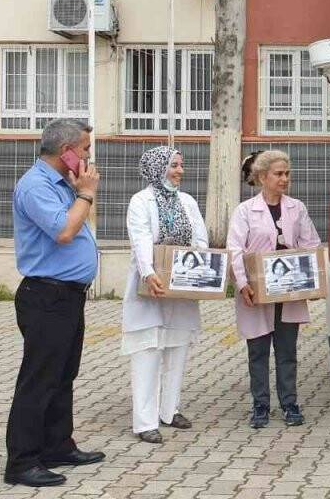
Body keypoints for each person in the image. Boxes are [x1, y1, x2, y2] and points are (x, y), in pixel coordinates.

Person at [4, 118, 105, 487]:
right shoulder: (35, 186)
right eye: (85, 149)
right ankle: (22, 462)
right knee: (39, 380)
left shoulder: (64, 183)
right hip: (45, 295)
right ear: (66, 152)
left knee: (63, 376)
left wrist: (80, 190)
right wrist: (87, 193)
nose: (89, 155)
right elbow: (64, 231)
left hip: (67, 296)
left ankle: (58, 445)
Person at [228, 150, 320, 429]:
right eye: (278, 174)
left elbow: (312, 244)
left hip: (287, 290)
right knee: (257, 350)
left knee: (287, 351)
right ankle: (260, 405)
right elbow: (234, 249)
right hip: (255, 293)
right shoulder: (245, 210)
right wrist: (243, 284)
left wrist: (310, 278)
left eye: (286, 174)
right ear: (262, 177)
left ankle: (290, 403)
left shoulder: (297, 208)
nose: (284, 179)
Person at [122, 146, 208, 444]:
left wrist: (200, 270)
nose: (179, 171)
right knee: (148, 349)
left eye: (181, 165)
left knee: (178, 347)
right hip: (151, 286)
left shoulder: (187, 201)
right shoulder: (140, 201)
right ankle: (145, 421)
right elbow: (141, 238)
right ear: (157, 169)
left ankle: (169, 411)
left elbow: (200, 237)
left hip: (182, 286)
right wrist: (149, 272)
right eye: (173, 165)